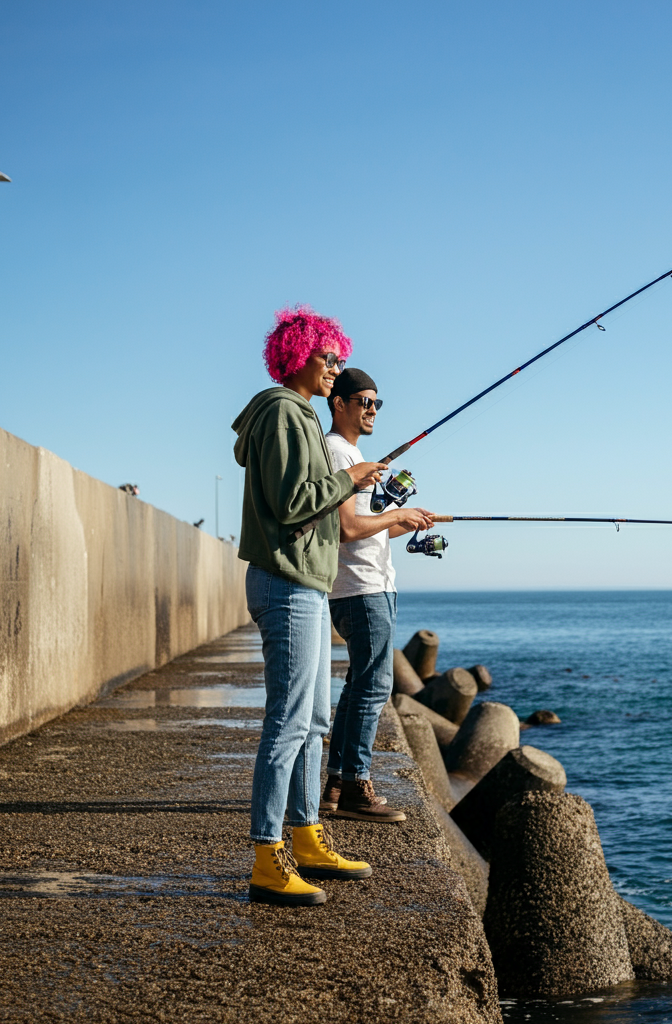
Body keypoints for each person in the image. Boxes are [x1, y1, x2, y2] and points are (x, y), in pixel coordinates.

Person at [232, 305, 388, 908]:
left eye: (338, 359)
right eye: (328, 358)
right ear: (300, 356)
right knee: (289, 722)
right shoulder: (282, 413)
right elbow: (295, 502)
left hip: (307, 585)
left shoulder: (293, 415)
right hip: (288, 582)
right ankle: (268, 856)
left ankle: (306, 836)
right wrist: (353, 480)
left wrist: (353, 481)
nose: (335, 369)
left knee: (316, 722)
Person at [321, 368, 435, 822]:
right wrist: (395, 517)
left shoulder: (353, 453)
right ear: (339, 404)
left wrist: (397, 519)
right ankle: (356, 787)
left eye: (376, 403)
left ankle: (336, 783)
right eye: (364, 401)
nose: (371, 409)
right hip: (361, 588)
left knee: (358, 686)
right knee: (374, 687)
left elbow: (357, 523)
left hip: (369, 586)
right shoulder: (337, 452)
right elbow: (347, 530)